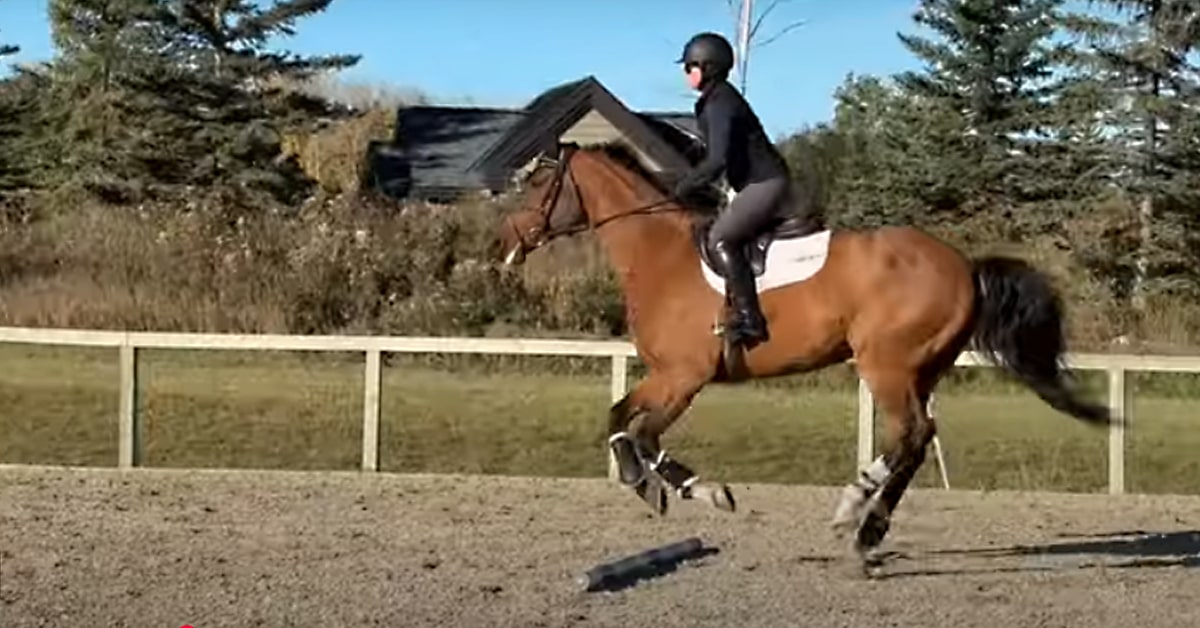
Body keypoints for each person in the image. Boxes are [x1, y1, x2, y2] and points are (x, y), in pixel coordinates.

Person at [671, 31, 793, 350]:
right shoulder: (714, 101)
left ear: (707, 67)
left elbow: (717, 161)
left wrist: (683, 187)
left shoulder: (720, 103)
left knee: (720, 238)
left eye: (689, 66)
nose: (685, 73)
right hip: (754, 183)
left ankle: (751, 320)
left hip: (764, 183)